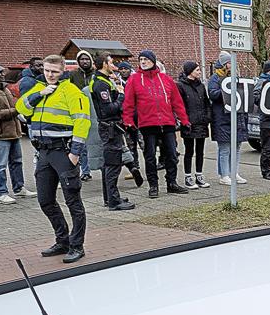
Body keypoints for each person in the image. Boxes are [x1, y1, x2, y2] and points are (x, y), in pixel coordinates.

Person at [16, 54, 90, 263]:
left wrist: (75, 153)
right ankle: (62, 240)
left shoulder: (71, 92)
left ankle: (77, 245)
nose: (50, 74)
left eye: (54, 71)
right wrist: (40, 93)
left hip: (63, 152)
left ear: (63, 70)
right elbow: (21, 108)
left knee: (73, 202)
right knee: (45, 200)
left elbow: (82, 122)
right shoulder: (40, 88)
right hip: (44, 153)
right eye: (47, 70)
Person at [122, 49, 191, 198]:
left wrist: (184, 120)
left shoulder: (166, 79)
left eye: (146, 59)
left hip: (167, 122)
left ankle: (171, 182)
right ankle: (153, 185)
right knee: (150, 156)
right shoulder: (134, 80)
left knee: (172, 155)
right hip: (148, 124)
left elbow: (177, 102)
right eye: (141, 60)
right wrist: (127, 120)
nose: (143, 62)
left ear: (153, 61)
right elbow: (128, 103)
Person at [0, 62, 35, 204]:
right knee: (0, 165)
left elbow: (14, 106)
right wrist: (13, 112)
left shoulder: (5, 88)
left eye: (2, 72)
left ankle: (19, 188)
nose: (3, 74)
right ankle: (2, 193)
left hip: (14, 132)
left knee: (16, 162)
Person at [87, 52, 138, 210]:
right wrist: (121, 95)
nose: (114, 66)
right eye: (111, 63)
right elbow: (109, 109)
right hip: (109, 128)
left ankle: (111, 197)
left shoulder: (104, 80)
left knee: (110, 164)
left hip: (110, 127)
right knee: (112, 165)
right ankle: (113, 202)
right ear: (104, 64)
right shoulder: (100, 84)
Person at [208, 53, 248, 186]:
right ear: (225, 64)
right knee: (224, 148)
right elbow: (213, 94)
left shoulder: (236, 77)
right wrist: (226, 91)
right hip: (222, 118)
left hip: (236, 117)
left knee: (236, 148)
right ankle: (224, 175)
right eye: (230, 63)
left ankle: (234, 173)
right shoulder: (215, 78)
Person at [175, 61, 212, 188]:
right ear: (190, 72)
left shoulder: (201, 86)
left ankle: (199, 175)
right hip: (189, 123)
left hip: (201, 122)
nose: (200, 72)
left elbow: (207, 103)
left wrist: (207, 117)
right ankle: (188, 176)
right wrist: (185, 120)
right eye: (197, 70)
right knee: (189, 150)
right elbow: (179, 105)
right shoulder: (180, 86)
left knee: (200, 150)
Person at [68, 50, 95, 182]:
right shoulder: (73, 75)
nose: (85, 61)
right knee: (82, 143)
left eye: (87, 59)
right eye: (82, 59)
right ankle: (85, 170)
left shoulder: (95, 74)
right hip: (79, 111)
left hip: (95, 110)